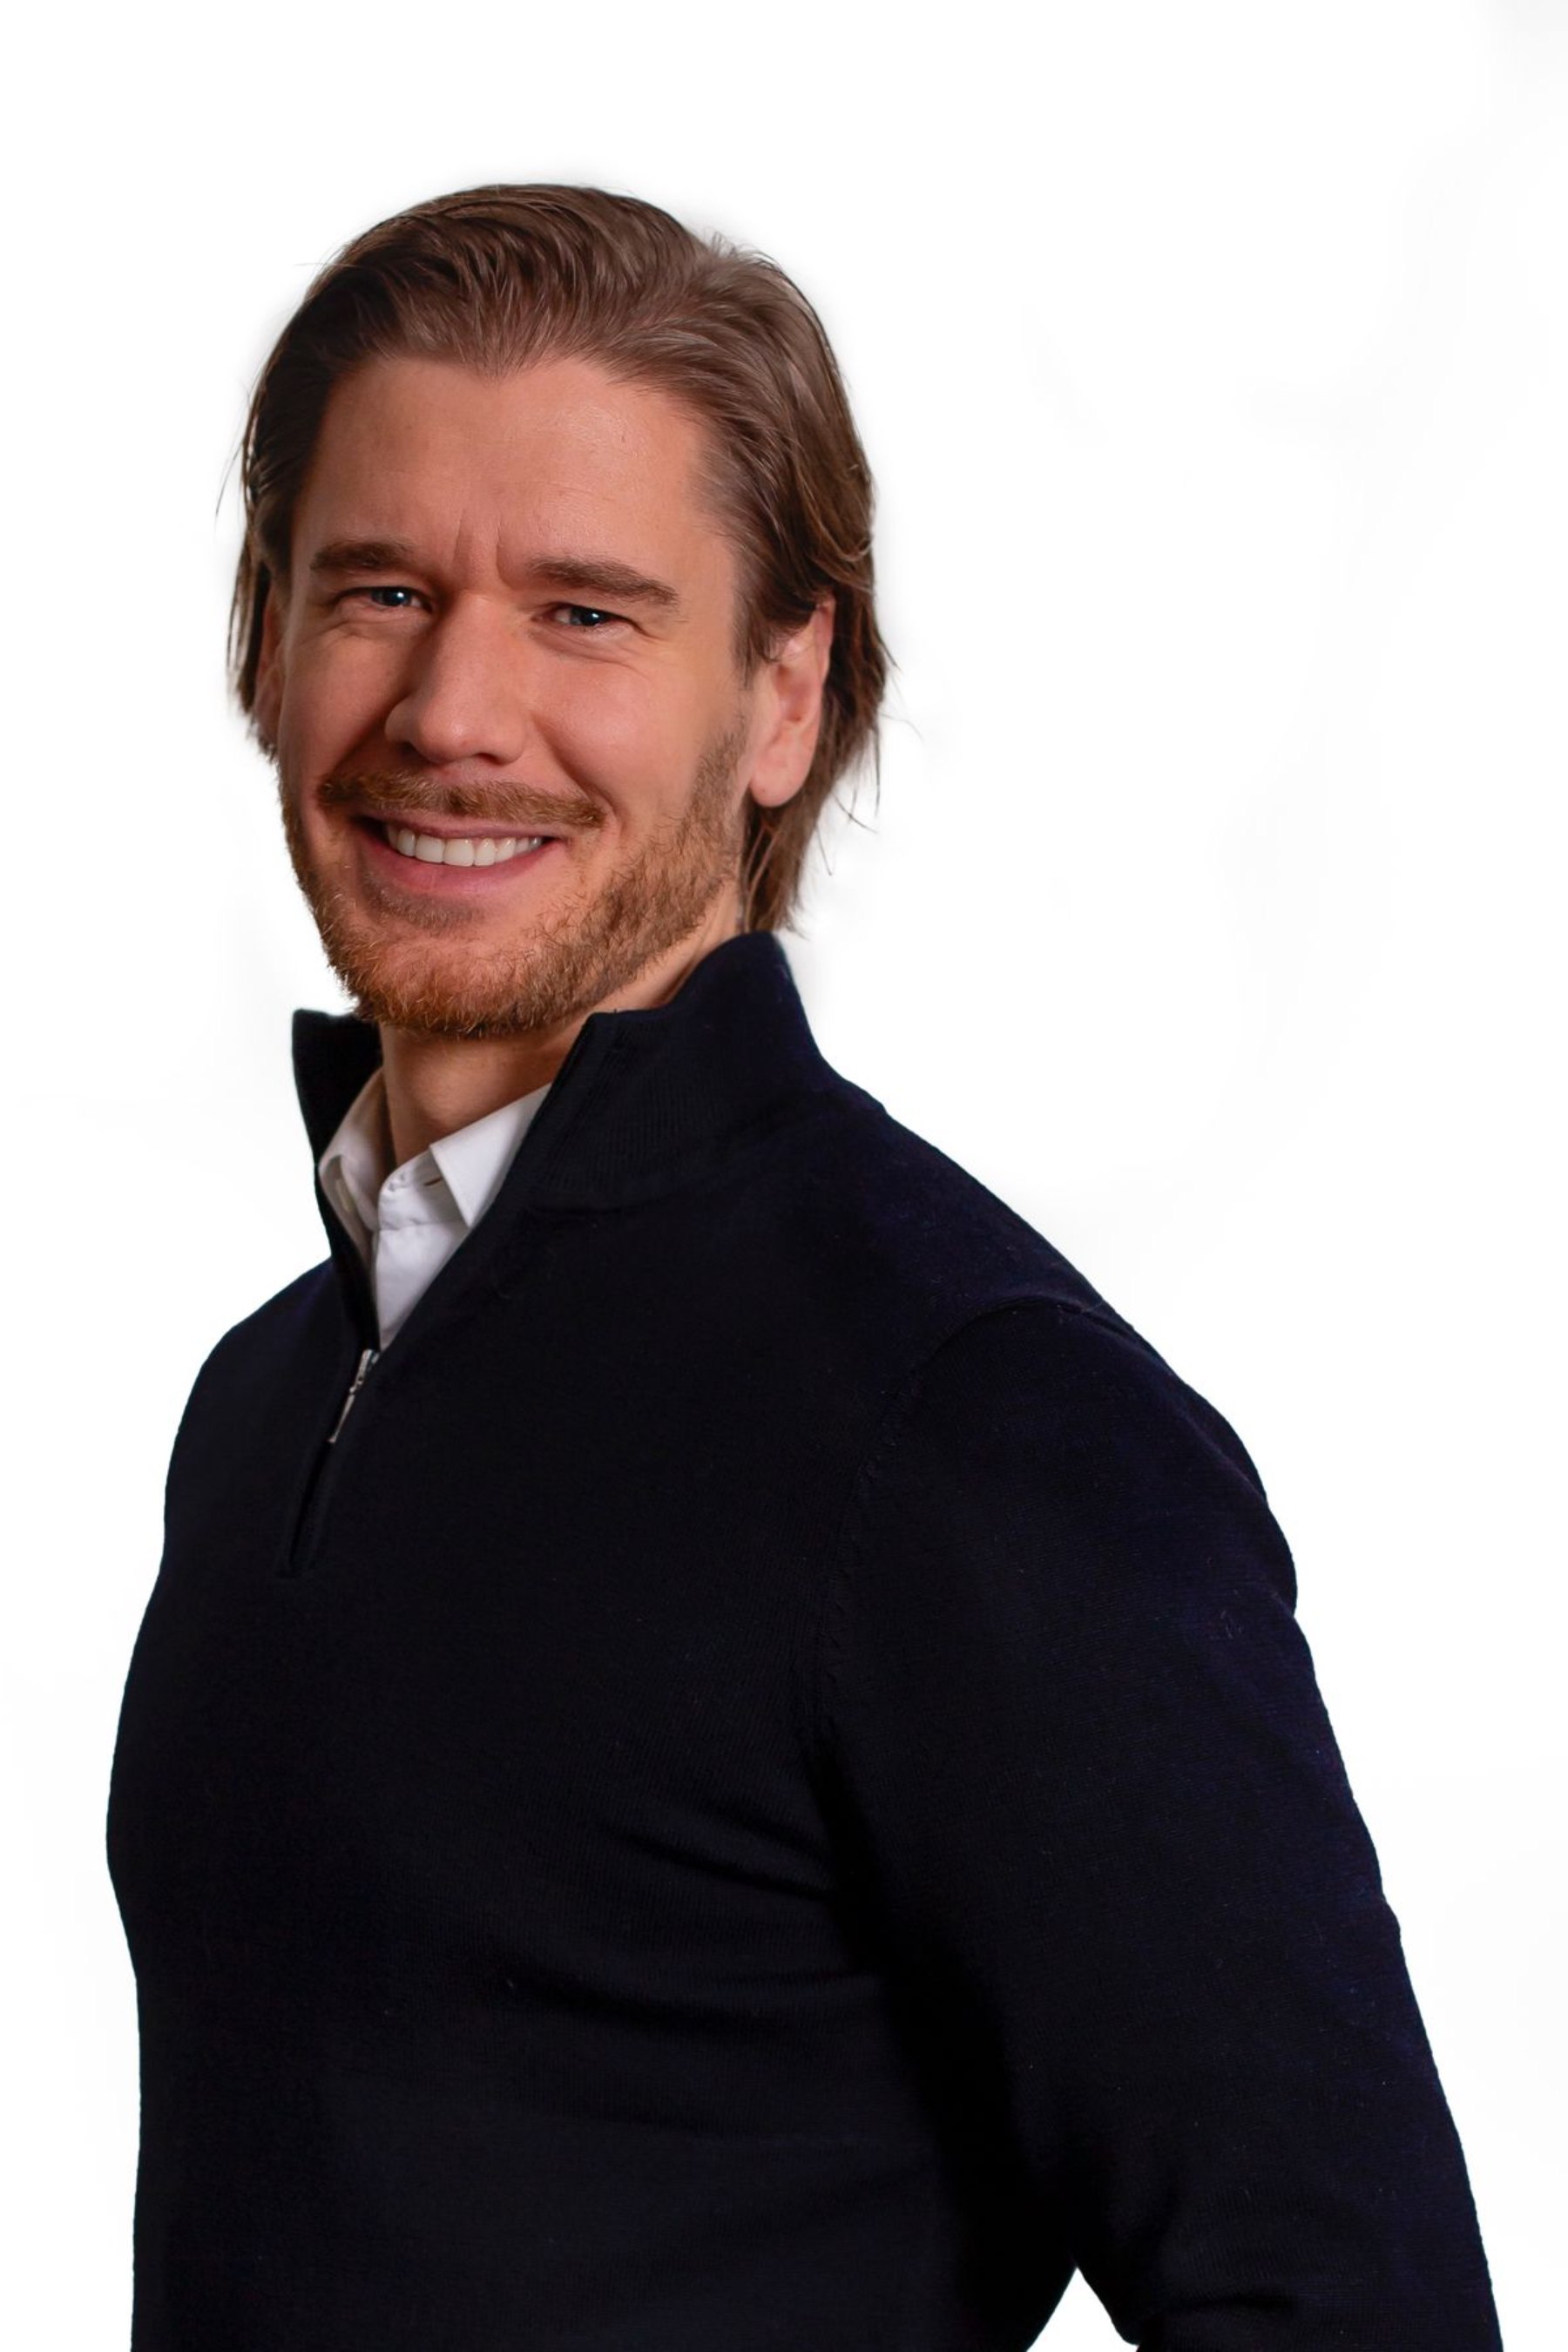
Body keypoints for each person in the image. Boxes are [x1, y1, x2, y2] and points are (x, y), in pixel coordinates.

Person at [106, 185, 1500, 2351]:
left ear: (782, 696)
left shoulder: (977, 1422)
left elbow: (1349, 2302)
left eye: (586, 613)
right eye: (379, 589)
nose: (454, 710)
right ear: (259, 644)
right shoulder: (272, 1393)